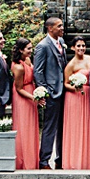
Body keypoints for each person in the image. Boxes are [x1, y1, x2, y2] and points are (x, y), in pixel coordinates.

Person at [33, 17, 67, 169]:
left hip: (63, 92)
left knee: (62, 127)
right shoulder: (43, 46)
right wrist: (45, 91)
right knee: (49, 127)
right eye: (59, 26)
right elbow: (38, 71)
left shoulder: (61, 43)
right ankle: (44, 160)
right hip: (52, 93)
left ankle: (59, 158)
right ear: (50, 28)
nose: (62, 28)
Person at [62, 36, 90, 170]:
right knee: (76, 127)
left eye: (83, 45)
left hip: (87, 95)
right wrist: (75, 87)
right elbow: (65, 84)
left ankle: (87, 160)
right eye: (78, 46)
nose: (81, 48)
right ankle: (74, 161)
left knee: (87, 125)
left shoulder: (89, 59)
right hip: (75, 97)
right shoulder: (71, 65)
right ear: (73, 48)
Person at [11, 37, 41, 171]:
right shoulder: (18, 67)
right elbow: (18, 89)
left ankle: (33, 160)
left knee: (32, 127)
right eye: (28, 48)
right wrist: (34, 97)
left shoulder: (28, 60)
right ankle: (23, 161)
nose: (31, 50)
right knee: (24, 127)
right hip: (23, 98)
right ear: (21, 50)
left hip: (31, 93)